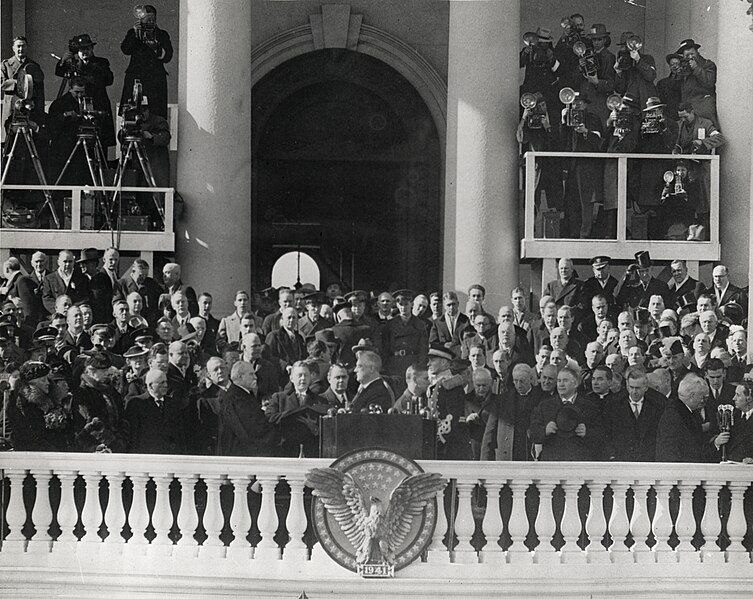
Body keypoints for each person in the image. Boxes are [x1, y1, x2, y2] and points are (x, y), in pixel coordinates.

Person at [54, 34, 115, 150]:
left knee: (100, 140)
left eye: (87, 48)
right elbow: (59, 72)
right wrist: (63, 61)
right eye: (81, 49)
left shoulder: (101, 63)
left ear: (92, 49)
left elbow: (108, 79)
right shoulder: (73, 63)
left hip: (97, 103)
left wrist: (87, 75)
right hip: (79, 105)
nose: (84, 52)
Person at [529, 366, 603, 460]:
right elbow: (532, 433)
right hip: (552, 461)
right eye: (559, 381)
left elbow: (601, 435)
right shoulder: (545, 406)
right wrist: (545, 431)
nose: (561, 384)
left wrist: (587, 433)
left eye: (565, 380)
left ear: (575, 383)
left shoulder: (589, 406)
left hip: (579, 462)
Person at [560, 90, 603, 238]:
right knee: (572, 202)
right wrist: (563, 121)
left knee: (586, 202)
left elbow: (599, 142)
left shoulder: (593, 119)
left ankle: (585, 235)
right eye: (574, 103)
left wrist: (585, 131)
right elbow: (562, 141)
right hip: (572, 165)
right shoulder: (568, 119)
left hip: (587, 166)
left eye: (579, 102)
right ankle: (573, 234)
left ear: (585, 104)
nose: (576, 105)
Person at [656, 373, 726, 462]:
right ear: (692, 396)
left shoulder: (686, 411)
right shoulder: (675, 415)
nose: (703, 401)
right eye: (702, 397)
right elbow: (682, 449)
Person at [120, 4, 173, 119]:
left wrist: (156, 48)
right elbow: (126, 50)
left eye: (152, 19)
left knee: (156, 112)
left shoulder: (162, 34)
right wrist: (135, 35)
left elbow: (168, 55)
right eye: (147, 20)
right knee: (132, 110)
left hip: (155, 78)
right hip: (137, 76)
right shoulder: (133, 33)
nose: (150, 22)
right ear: (141, 20)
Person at [266, 361, 327, 457]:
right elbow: (269, 418)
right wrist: (293, 414)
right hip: (286, 451)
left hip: (311, 452)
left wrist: (315, 428)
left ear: (310, 378)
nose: (303, 378)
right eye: (299, 375)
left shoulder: (320, 400)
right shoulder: (279, 398)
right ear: (291, 378)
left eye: (306, 375)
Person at [218, 360, 277, 456]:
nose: (255, 377)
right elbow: (252, 431)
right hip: (239, 457)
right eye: (251, 374)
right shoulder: (237, 399)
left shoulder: (242, 395)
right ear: (240, 377)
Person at [603, 369, 664, 461]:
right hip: (621, 459)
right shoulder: (613, 405)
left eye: (638, 388)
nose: (634, 391)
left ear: (646, 388)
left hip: (648, 460)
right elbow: (606, 432)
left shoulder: (657, 406)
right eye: (631, 387)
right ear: (627, 387)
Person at [125, 368, 185, 453]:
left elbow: (180, 434)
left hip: (169, 456)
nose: (165, 385)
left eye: (166, 382)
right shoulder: (136, 404)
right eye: (161, 383)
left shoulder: (173, 404)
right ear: (150, 386)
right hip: (147, 455)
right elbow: (133, 435)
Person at [1, 36, 45, 130]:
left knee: (27, 139)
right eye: (18, 46)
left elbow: (40, 90)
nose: (21, 49)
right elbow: (2, 83)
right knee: (10, 137)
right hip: (11, 107)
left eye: (23, 46)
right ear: (13, 48)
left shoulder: (33, 66)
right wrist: (20, 83)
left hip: (28, 107)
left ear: (27, 47)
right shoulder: (5, 65)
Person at [382, 289, 428, 379]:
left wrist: (420, 367)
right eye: (401, 305)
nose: (403, 308)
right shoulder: (390, 325)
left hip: (413, 364)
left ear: (411, 304)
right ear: (397, 305)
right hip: (395, 365)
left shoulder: (419, 324)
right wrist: (386, 367)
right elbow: (385, 349)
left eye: (406, 304)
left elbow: (423, 348)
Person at [579, 24, 616, 128]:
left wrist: (597, 82)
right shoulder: (587, 54)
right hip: (587, 100)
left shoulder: (609, 57)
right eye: (594, 39)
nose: (596, 42)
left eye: (599, 39)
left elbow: (611, 84)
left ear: (604, 40)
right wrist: (581, 67)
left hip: (600, 103)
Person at [676, 38, 718, 126]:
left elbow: (709, 83)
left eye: (692, 54)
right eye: (687, 55)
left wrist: (696, 68)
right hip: (689, 113)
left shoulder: (708, 65)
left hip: (704, 111)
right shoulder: (685, 70)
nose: (690, 57)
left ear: (697, 52)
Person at [613, 31, 657, 113]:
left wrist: (638, 60)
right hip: (630, 106)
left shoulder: (647, 59)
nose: (625, 49)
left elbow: (651, 76)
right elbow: (620, 89)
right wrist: (619, 72)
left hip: (645, 103)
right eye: (623, 46)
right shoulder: (623, 62)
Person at [41, 250, 91, 314]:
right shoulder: (49, 279)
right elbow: (47, 299)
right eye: (65, 261)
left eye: (70, 262)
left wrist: (72, 309)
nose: (67, 264)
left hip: (75, 314)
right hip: (57, 316)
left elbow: (85, 297)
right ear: (58, 262)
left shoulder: (82, 278)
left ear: (74, 262)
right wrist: (59, 310)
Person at [714, 379, 753, 462]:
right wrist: (717, 442)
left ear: (749, 398)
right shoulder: (731, 416)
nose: (733, 398)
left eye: (738, 395)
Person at [119, 259, 161, 324]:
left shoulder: (152, 283)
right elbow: (117, 303)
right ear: (133, 271)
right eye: (141, 275)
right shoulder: (121, 284)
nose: (143, 278)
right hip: (128, 321)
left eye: (145, 275)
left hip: (147, 323)